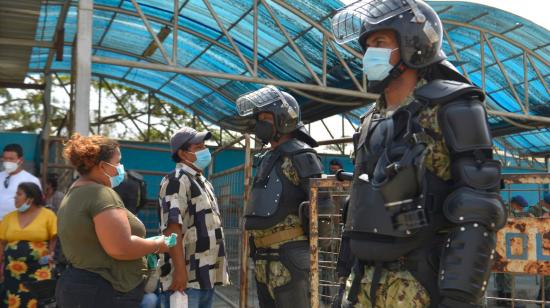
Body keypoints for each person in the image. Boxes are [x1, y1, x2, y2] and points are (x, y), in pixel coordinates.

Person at [330, 1, 506, 307]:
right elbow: (360, 206)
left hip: (418, 284)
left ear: (414, 44)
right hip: (362, 283)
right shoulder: (370, 121)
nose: (370, 54)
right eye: (368, 45)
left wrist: (459, 297)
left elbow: (479, 207)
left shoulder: (455, 106)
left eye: (380, 43)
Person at [55, 134, 171, 308]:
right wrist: (158, 245)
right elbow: (121, 248)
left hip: (83, 287)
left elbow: (103, 242)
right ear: (102, 166)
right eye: (117, 163)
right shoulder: (101, 194)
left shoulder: (74, 192)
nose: (120, 169)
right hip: (105, 291)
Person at [236, 86, 324, 308]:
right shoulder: (269, 157)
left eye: (265, 117)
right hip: (266, 259)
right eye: (259, 118)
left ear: (284, 119)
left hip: (290, 259)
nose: (260, 123)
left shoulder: (301, 154)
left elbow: (322, 207)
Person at [158, 127, 229, 308]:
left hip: (205, 275)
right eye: (198, 147)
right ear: (182, 153)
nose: (205, 150)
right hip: (186, 278)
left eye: (204, 145)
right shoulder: (176, 180)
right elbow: (172, 228)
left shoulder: (202, 181)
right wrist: (180, 271)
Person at [0, 182, 57, 307]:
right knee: (14, 302)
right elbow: (1, 243)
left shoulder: (48, 215)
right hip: (13, 273)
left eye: (19, 194)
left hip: (39, 271)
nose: (15, 197)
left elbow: (54, 238)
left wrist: (51, 256)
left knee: (36, 302)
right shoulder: (8, 218)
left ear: (30, 199)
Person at [0, 144, 41, 220]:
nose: (7, 162)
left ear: (20, 160)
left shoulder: (31, 180)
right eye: (5, 159)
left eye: (11, 159)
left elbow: (36, 206)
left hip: (17, 225)